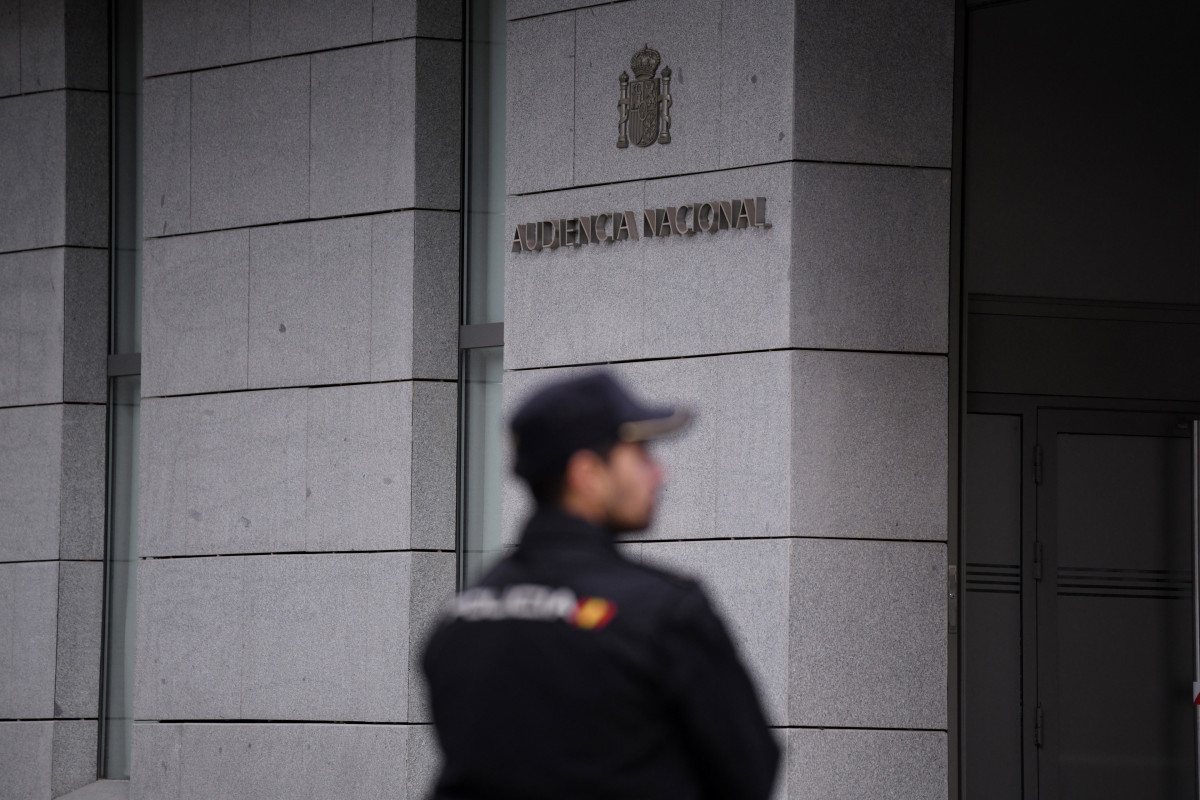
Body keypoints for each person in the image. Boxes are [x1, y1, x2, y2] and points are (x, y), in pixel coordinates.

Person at [421, 371, 780, 800]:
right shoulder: (663, 613)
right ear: (587, 473)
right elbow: (749, 773)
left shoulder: (459, 620)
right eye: (641, 455)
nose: (659, 474)